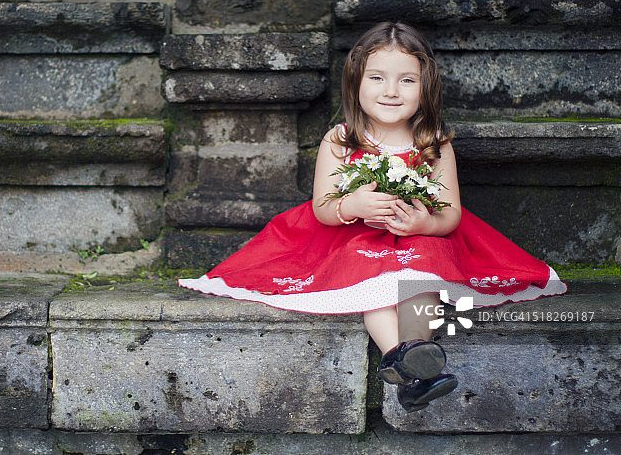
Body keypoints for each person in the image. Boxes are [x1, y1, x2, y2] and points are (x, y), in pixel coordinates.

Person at [178, 21, 567, 412]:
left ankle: (413, 352)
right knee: (375, 285)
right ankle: (410, 363)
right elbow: (323, 208)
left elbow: (449, 213)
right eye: (377, 77)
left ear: (425, 87)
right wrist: (353, 206)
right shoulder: (341, 140)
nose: (391, 91)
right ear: (356, 83)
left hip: (418, 239)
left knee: (423, 277)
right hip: (355, 240)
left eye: (407, 81)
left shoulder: (433, 144)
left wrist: (425, 224)